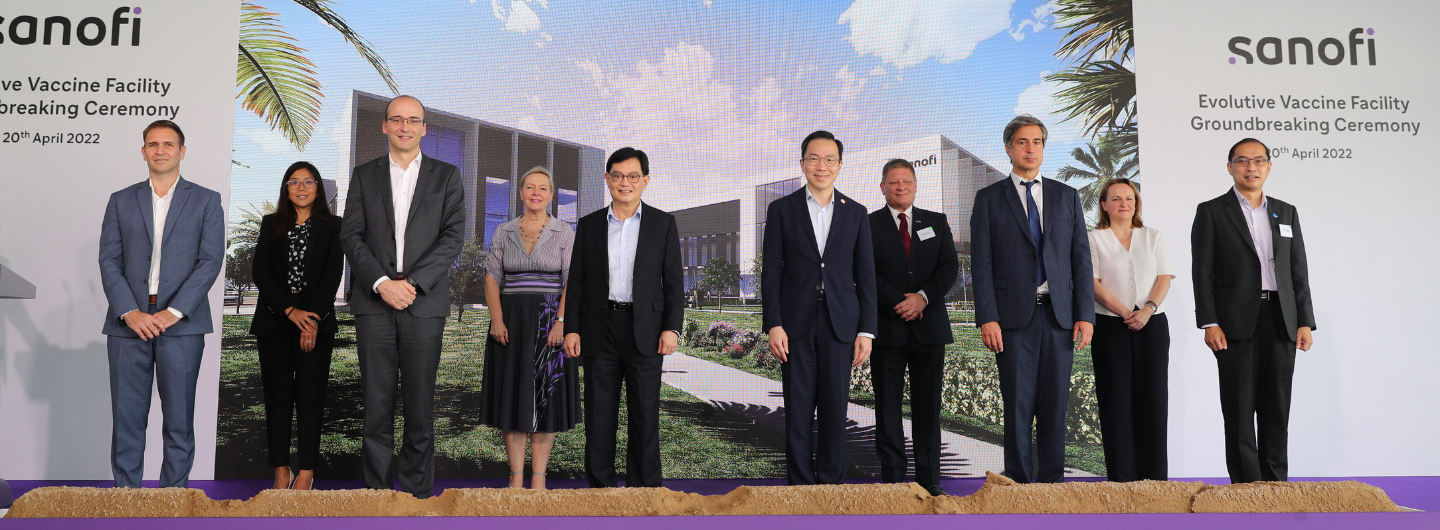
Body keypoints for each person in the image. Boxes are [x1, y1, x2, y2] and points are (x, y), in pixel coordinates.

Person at [339, 95, 466, 498]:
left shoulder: (447, 176)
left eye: (413, 120)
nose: (405, 127)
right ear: (385, 126)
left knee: (419, 406)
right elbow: (351, 235)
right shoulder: (363, 175)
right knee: (376, 407)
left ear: (424, 128)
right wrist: (381, 282)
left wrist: (411, 284)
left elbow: (453, 238)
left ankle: (415, 497)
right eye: (397, 120)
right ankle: (376, 495)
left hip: (423, 303)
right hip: (374, 303)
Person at [98, 120, 224, 488]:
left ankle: (174, 501)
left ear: (182, 151)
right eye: (152, 144)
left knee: (180, 421)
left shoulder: (206, 199)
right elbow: (109, 260)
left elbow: (210, 261)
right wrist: (130, 311)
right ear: (143, 152)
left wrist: (172, 312)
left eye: (168, 143)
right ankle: (126, 498)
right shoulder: (121, 200)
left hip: (183, 325)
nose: (160, 150)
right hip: (127, 324)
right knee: (127, 420)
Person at [970, 115, 1094, 484]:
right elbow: (982, 263)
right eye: (1022, 142)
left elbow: (1080, 259)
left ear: (1043, 147)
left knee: (1056, 407)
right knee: (1019, 408)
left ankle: (1052, 486)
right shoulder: (989, 198)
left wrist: (1085, 314)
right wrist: (987, 317)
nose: (1030, 148)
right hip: (1011, 321)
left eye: (1037, 141)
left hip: (1059, 317)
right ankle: (1019, 486)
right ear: (1009, 148)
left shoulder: (1066, 196)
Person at [1191, 137, 1315, 484]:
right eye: (1243, 161)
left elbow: (1298, 271)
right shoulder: (1212, 211)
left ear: (1269, 167)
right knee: (1240, 411)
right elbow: (1202, 272)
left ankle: (1276, 486)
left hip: (1281, 319)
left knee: (1277, 409)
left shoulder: (1285, 211)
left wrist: (1304, 322)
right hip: (1233, 324)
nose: (1251, 168)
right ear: (1230, 167)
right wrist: (1210, 321)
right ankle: (1247, 488)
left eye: (1258, 161)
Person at [563, 148, 682, 488]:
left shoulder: (663, 223)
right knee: (600, 415)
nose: (624, 183)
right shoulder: (588, 226)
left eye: (633, 177)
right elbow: (579, 281)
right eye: (617, 176)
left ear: (645, 181)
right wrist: (572, 329)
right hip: (599, 330)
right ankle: (600, 491)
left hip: (646, 330)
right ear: (607, 180)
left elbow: (673, 281)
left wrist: (671, 327)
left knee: (645, 415)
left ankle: (644, 492)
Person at [763, 130, 877, 485]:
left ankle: (830, 488)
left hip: (841, 325)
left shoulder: (856, 213)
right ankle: (799, 488)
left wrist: (866, 330)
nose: (821, 166)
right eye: (814, 158)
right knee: (797, 411)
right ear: (802, 164)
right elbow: (771, 272)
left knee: (834, 411)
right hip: (795, 326)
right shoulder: (782, 209)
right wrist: (774, 324)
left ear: (840, 166)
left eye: (829, 159)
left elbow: (866, 276)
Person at [477, 167, 579, 490]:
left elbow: (572, 282)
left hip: (550, 323)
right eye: (530, 188)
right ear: (520, 194)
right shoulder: (504, 232)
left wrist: (561, 322)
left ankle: (538, 478)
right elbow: (492, 277)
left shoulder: (564, 232)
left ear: (551, 195)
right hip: (510, 324)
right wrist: (496, 318)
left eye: (543, 188)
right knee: (513, 399)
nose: (536, 193)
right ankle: (516, 478)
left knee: (544, 400)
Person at [249, 161, 344, 490]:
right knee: (277, 398)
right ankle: (281, 471)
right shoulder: (270, 223)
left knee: (309, 398)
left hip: (315, 325)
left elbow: (332, 276)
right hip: (274, 322)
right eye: (294, 182)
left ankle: (306, 473)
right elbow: (261, 273)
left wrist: (311, 319)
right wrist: (290, 311)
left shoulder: (334, 227)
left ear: (318, 188)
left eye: (308, 181)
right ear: (285, 188)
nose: (301, 187)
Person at [868, 158, 958, 496]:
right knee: (887, 408)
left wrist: (922, 298)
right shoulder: (868, 224)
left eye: (906, 181)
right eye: (893, 182)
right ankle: (892, 480)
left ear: (916, 185)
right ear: (883, 187)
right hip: (887, 329)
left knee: (928, 408)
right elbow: (864, 271)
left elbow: (949, 266)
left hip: (929, 329)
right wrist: (900, 301)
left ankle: (928, 480)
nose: (900, 186)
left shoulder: (936, 221)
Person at [1088, 178, 1172, 482]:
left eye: (1130, 198)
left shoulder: (1152, 236)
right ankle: (1122, 478)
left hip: (1152, 324)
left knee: (1153, 399)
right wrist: (1126, 312)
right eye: (1117, 199)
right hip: (1111, 326)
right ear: (1104, 205)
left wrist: (1147, 309)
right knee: (1115, 400)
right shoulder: (1094, 238)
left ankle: (1154, 479)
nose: (1124, 203)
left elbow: (1164, 277)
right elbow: (1092, 283)